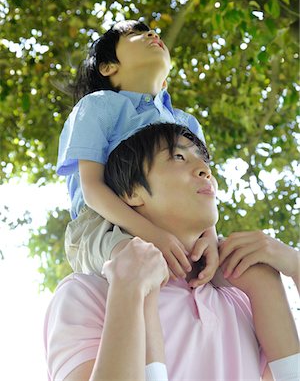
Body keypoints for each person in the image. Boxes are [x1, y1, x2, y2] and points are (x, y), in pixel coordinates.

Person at [45, 123, 300, 381]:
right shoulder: (87, 294)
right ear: (133, 191)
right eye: (178, 157)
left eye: (203, 160)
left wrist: (296, 266)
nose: (205, 170)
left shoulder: (244, 300)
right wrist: (128, 292)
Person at [57, 19, 218, 287]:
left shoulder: (187, 124)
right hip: (104, 221)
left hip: (178, 222)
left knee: (246, 264)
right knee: (135, 262)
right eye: (135, 33)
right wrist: (152, 235)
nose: (153, 34)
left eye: (152, 31)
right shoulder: (97, 106)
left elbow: (205, 184)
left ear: (165, 80)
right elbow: (91, 189)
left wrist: (209, 236)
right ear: (109, 67)